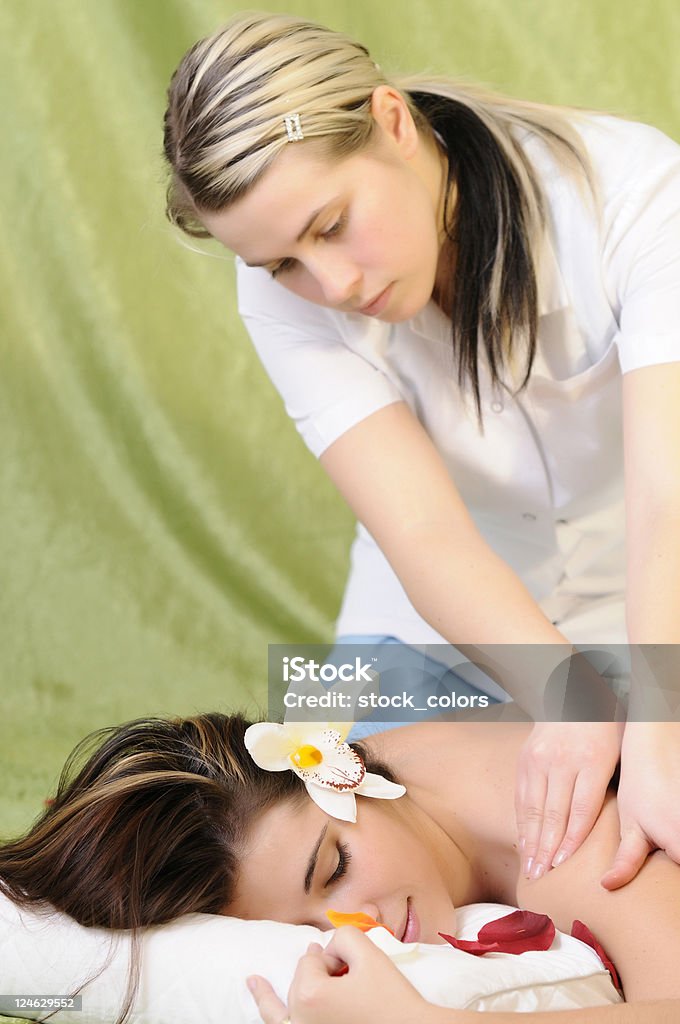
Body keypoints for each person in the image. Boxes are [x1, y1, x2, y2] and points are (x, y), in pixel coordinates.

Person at [161, 11, 680, 891]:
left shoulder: (635, 196)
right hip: (433, 625)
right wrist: (571, 701)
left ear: (393, 121)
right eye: (282, 263)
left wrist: (660, 724)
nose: (331, 287)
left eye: (330, 225)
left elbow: (667, 502)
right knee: (317, 859)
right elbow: (425, 535)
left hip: (654, 595)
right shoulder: (281, 300)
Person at [0, 712, 678, 1024]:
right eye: (303, 930)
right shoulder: (362, 774)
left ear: (346, 772)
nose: (358, 928)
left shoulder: (567, 834)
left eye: (334, 869)